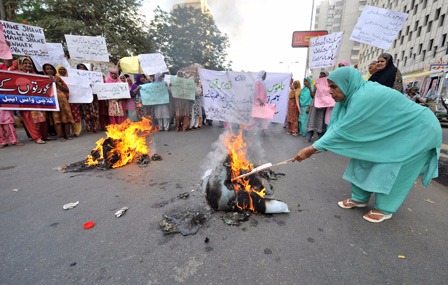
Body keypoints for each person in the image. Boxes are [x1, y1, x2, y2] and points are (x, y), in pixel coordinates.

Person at [293, 67, 442, 223]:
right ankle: (359, 198)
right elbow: (336, 127)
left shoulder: (363, 97)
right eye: (330, 86)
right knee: (364, 156)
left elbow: (343, 131)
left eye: (334, 87)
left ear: (346, 84)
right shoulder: (349, 97)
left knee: (392, 165)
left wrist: (311, 149)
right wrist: (317, 147)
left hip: (420, 130)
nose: (330, 91)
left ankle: (385, 208)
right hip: (394, 129)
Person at [17, 57, 46, 144]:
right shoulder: (16, 75)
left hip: (36, 102)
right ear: (21, 65)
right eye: (25, 63)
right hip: (25, 103)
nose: (28, 65)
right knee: (31, 121)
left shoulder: (35, 75)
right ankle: (37, 137)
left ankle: (42, 136)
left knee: (40, 119)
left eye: (29, 63)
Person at [43, 63, 75, 141]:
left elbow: (66, 90)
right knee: (57, 119)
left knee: (66, 117)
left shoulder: (58, 79)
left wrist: (56, 83)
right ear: (44, 70)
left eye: (51, 69)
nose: (49, 70)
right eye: (47, 69)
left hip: (63, 101)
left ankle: (67, 135)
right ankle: (60, 136)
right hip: (53, 102)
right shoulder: (43, 79)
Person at [56, 65, 82, 137]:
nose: (62, 71)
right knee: (65, 117)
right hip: (62, 101)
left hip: (73, 100)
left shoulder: (72, 79)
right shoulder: (56, 79)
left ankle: (76, 131)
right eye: (60, 69)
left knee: (76, 116)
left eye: (64, 69)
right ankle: (65, 133)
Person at [77, 63, 100, 133]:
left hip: (93, 96)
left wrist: (91, 67)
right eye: (80, 67)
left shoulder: (90, 75)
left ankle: (96, 127)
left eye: (83, 67)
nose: (82, 69)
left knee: (95, 112)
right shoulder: (76, 77)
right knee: (86, 112)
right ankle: (89, 127)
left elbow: (93, 78)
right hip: (84, 97)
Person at [245, 70, 270, 137]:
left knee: (265, 117)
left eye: (266, 75)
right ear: (261, 75)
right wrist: (260, 100)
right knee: (255, 118)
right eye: (264, 75)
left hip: (263, 103)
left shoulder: (263, 83)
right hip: (258, 103)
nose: (265, 76)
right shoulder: (257, 82)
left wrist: (264, 101)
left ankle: (264, 131)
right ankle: (246, 130)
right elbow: (255, 92)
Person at [305, 72, 327, 142]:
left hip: (323, 107)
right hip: (314, 105)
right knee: (312, 121)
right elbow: (312, 96)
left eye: (322, 75)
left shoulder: (328, 86)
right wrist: (309, 88)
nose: (320, 76)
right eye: (320, 75)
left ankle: (321, 140)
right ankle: (308, 137)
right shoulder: (316, 85)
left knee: (320, 122)